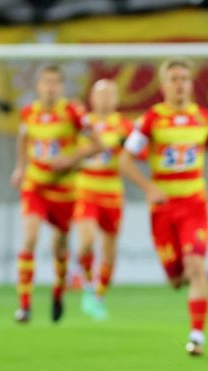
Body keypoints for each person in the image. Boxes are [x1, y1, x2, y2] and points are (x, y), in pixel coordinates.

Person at [118, 58, 208, 355]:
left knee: (195, 266)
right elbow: (124, 161)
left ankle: (197, 336)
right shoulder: (151, 119)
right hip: (163, 209)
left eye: (184, 78)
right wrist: (149, 187)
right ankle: (181, 277)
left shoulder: (204, 119)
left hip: (194, 204)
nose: (180, 84)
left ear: (191, 83)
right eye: (174, 79)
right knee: (175, 278)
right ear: (164, 85)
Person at [11, 64, 104, 323]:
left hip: (65, 190)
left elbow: (98, 144)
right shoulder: (29, 112)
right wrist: (20, 168)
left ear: (61, 87)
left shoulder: (73, 112)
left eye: (55, 83)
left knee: (60, 248)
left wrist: (71, 158)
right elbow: (23, 138)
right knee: (29, 238)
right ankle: (24, 306)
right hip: (36, 186)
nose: (50, 88)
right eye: (46, 82)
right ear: (38, 86)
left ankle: (58, 289)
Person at [74, 79, 133, 320]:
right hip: (86, 189)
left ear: (117, 99)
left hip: (112, 192)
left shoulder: (125, 126)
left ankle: (98, 295)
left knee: (109, 252)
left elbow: (137, 153)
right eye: (101, 93)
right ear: (92, 98)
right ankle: (88, 287)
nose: (105, 98)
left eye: (110, 94)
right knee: (87, 241)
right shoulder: (82, 123)